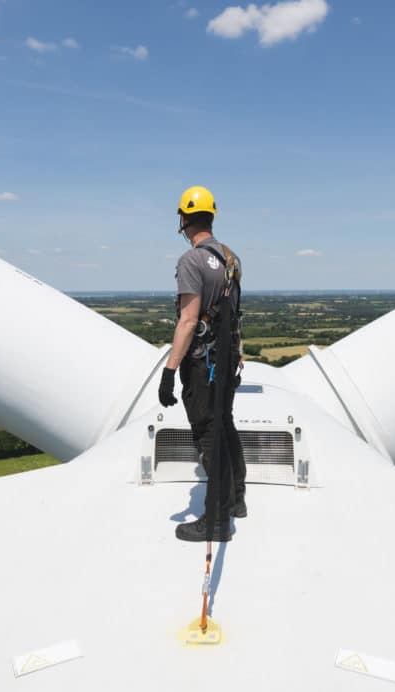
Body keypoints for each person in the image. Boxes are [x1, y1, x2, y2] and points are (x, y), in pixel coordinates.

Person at [159, 185, 246, 543]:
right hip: (226, 360)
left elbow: (189, 321)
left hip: (202, 363)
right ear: (210, 216)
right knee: (225, 424)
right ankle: (236, 498)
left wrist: (168, 372)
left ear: (184, 220)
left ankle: (217, 518)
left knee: (207, 434)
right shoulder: (231, 258)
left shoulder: (190, 262)